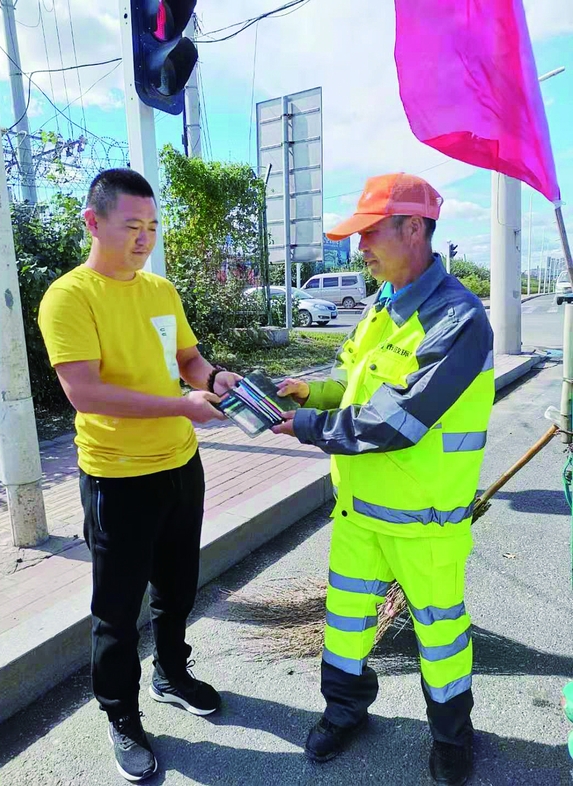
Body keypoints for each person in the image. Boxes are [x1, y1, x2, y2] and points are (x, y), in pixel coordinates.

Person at [273, 173, 494, 785]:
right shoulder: (379, 305)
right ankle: (344, 712)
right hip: (358, 512)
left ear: (415, 229)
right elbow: (353, 387)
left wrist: (311, 425)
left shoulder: (459, 321)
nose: (360, 247)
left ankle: (452, 739)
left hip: (426, 523)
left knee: (441, 635)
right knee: (345, 622)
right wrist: (309, 392)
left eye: (370, 233)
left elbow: (397, 419)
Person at [38, 168, 240, 783]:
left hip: (181, 465)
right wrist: (183, 404)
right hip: (118, 478)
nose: (144, 238)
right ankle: (120, 713)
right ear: (93, 222)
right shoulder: (69, 297)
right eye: (132, 226)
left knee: (178, 588)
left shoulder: (160, 290)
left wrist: (211, 380)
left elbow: (185, 358)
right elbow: (86, 392)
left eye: (151, 227)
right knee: (116, 609)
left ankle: (171, 674)